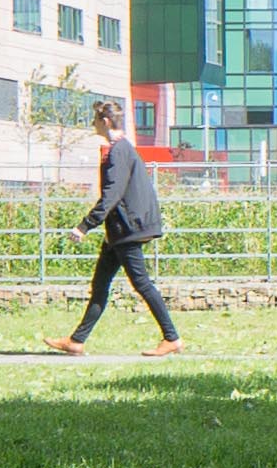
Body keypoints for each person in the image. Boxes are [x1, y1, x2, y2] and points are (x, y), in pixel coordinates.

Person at [49, 125, 184, 356]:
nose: (93, 125)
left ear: (106, 122)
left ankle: (171, 338)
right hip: (118, 232)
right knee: (100, 285)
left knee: (142, 283)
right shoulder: (123, 149)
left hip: (126, 230)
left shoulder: (119, 151)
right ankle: (76, 341)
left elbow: (112, 194)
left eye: (96, 120)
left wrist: (85, 225)